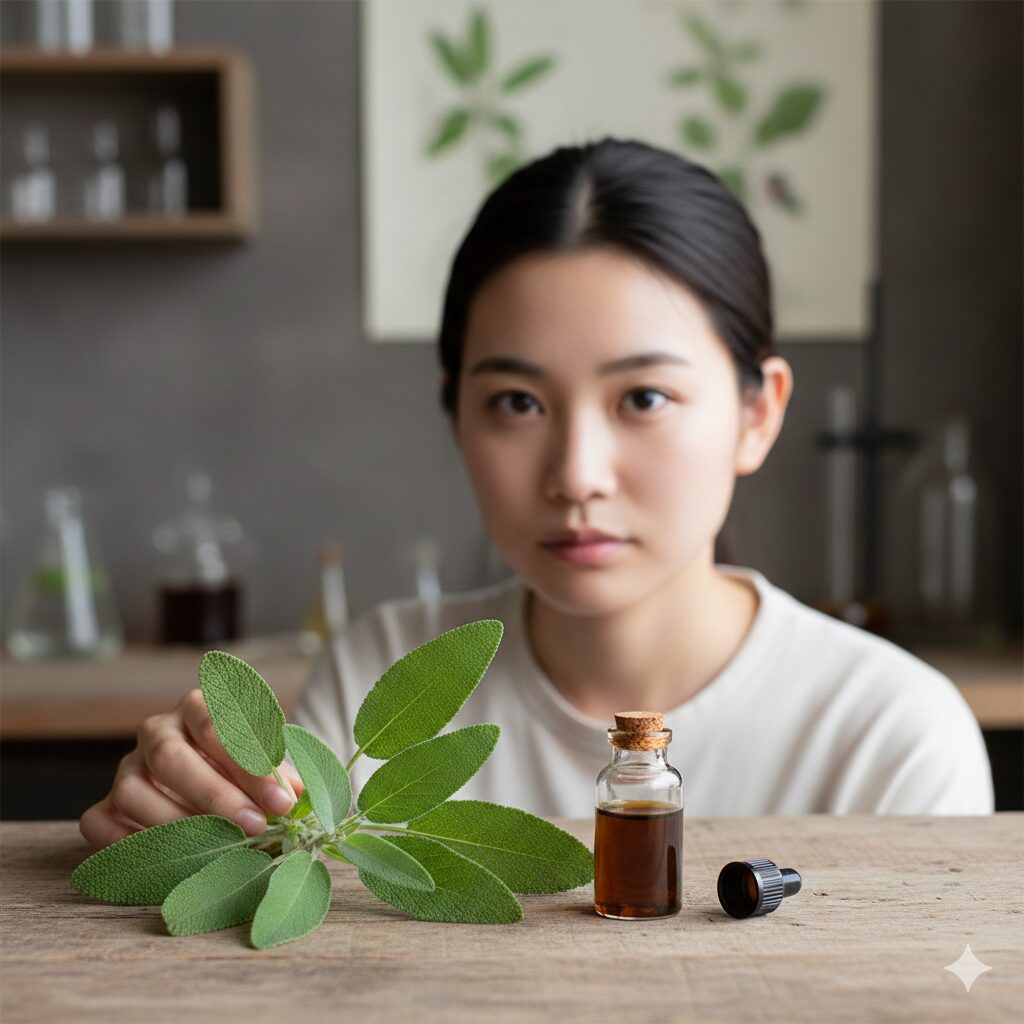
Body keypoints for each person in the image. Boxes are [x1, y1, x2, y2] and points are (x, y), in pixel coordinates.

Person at [79, 138, 992, 851]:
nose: (577, 473)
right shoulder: (386, 675)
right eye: (517, 402)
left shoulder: (889, 735)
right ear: (455, 416)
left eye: (644, 398)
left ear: (759, 414)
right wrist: (190, 820)